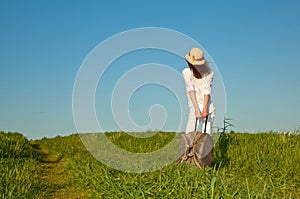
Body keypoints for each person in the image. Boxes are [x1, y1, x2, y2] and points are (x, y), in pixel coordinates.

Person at [182, 47, 216, 135]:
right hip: (194, 106)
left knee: (207, 136)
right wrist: (197, 110)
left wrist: (205, 110)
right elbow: (191, 91)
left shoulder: (209, 74)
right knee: (189, 136)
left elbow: (207, 92)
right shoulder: (186, 73)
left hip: (207, 106)